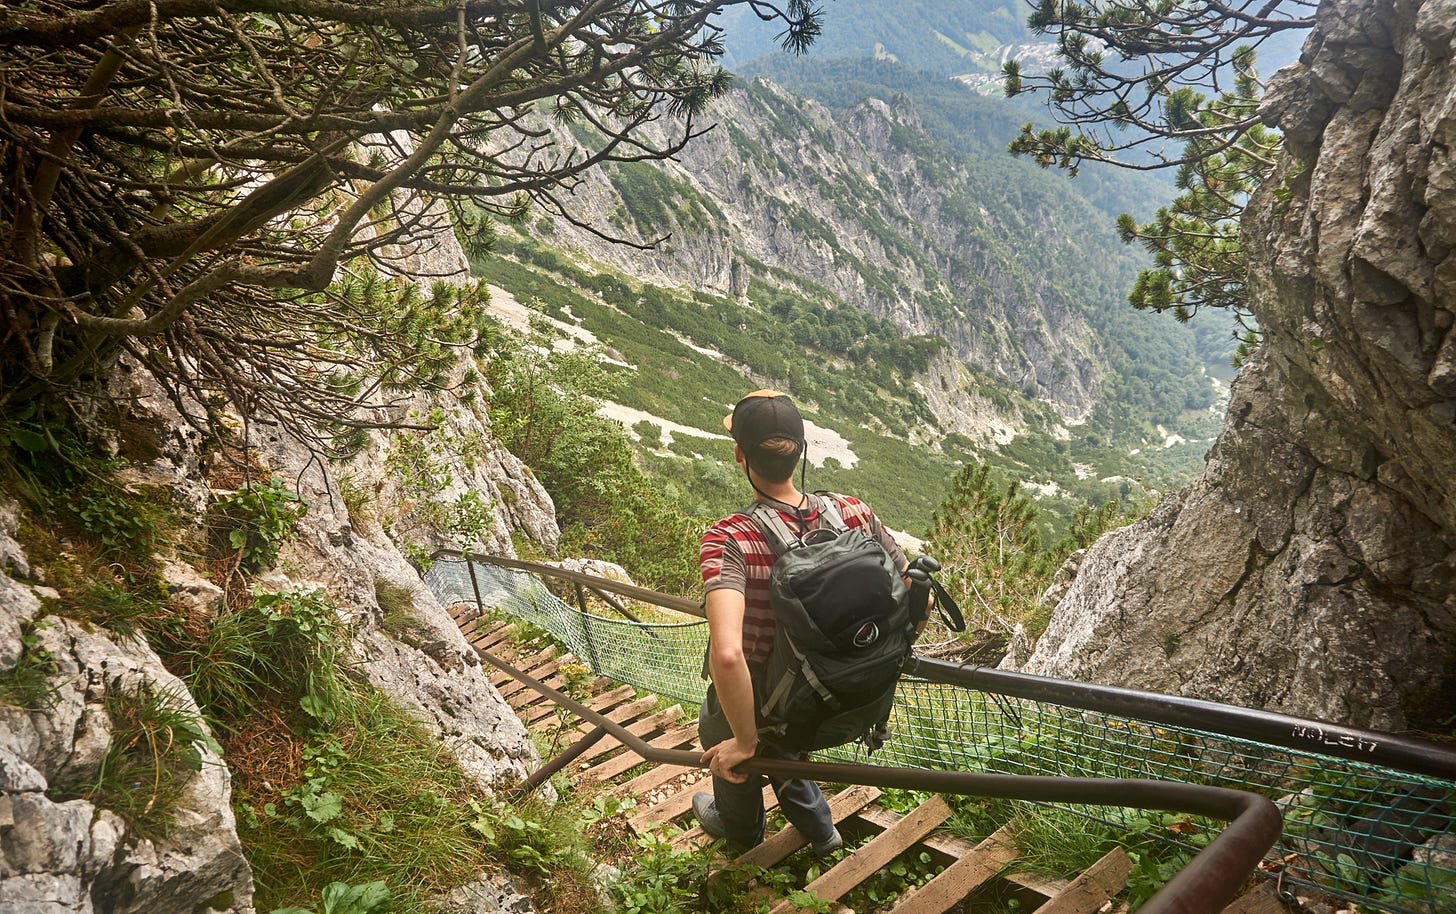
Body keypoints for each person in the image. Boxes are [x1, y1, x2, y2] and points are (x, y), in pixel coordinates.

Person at [693, 389, 908, 856]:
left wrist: (745, 741)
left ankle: (741, 831)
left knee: (722, 735)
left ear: (739, 455)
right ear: (801, 451)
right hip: (839, 698)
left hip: (771, 705)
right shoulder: (854, 512)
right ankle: (822, 831)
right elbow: (907, 591)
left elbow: (728, 654)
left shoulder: (730, 538)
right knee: (785, 746)